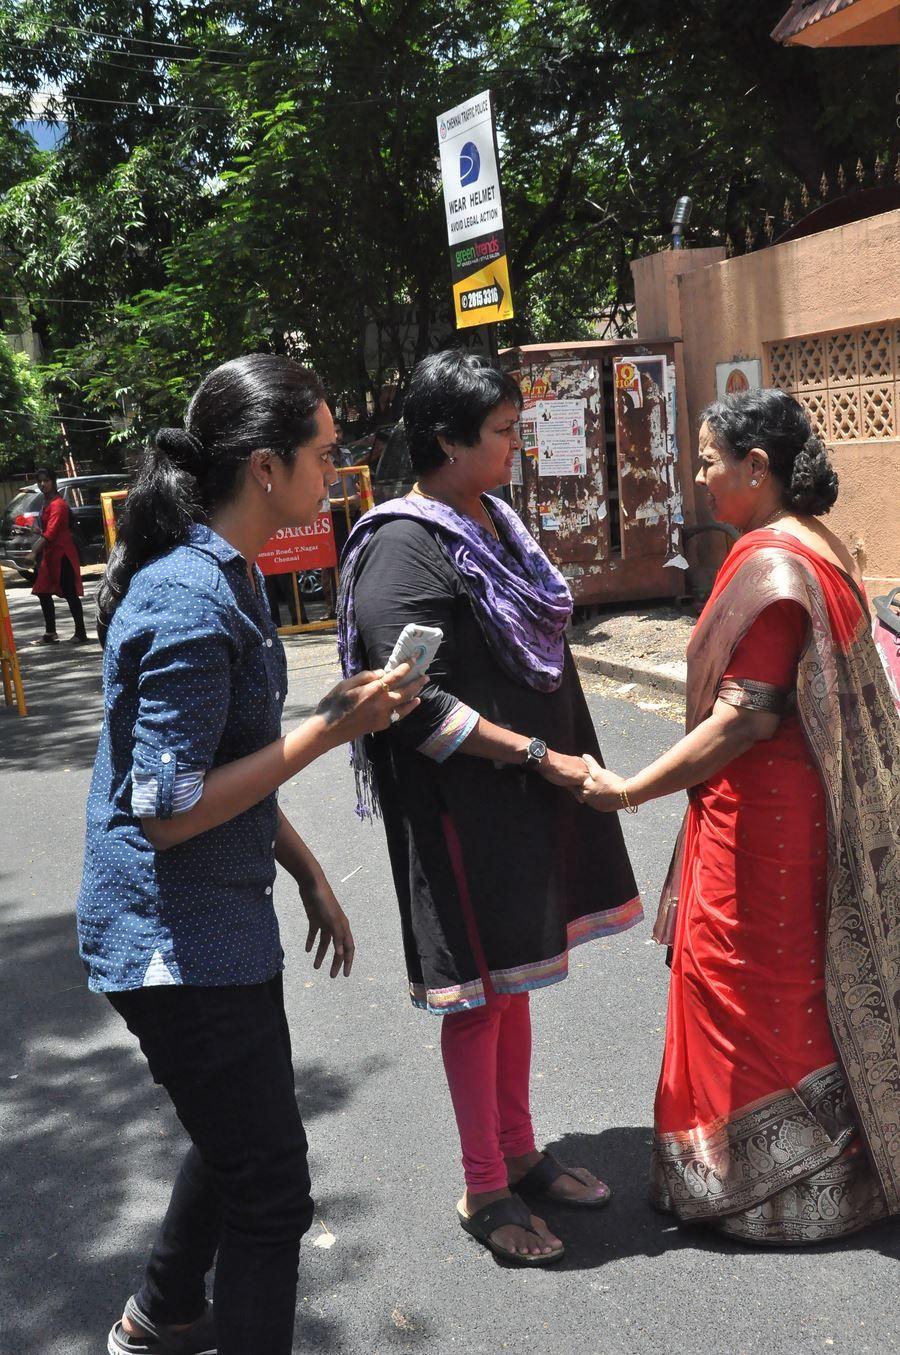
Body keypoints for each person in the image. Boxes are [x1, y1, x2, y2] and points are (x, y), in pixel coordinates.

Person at [77, 354, 423, 1355]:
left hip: (215, 924)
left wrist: (308, 868)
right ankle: (165, 1313)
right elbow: (168, 809)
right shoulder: (191, 598)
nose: (337, 464)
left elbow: (227, 765)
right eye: (324, 450)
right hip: (171, 942)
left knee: (240, 1143)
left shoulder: (222, 574)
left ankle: (161, 1310)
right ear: (266, 467)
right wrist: (327, 729)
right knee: (272, 1190)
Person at [337, 351, 641, 1266]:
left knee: (513, 982)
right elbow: (410, 700)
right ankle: (483, 1186)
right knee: (478, 997)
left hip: (516, 803)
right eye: (502, 431)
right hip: (462, 809)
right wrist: (536, 753)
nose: (517, 445)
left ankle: (519, 1150)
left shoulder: (492, 520)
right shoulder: (401, 543)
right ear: (446, 440)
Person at [580, 389, 900, 1245]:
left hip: (766, 818)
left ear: (756, 470)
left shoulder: (771, 565)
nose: (698, 475)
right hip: (802, 806)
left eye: (709, 458)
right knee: (792, 983)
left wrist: (631, 786)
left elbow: (746, 716)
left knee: (747, 983)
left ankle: (757, 1189)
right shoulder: (817, 545)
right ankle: (828, 1169)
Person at [30, 466, 89, 644]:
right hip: (49, 555)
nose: (42, 484)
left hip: (62, 554)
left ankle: (81, 632)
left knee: (70, 592)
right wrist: (36, 528)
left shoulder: (58, 504)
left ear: (53, 482)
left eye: (46, 480)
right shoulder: (46, 502)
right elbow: (47, 531)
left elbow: (52, 533)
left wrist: (33, 552)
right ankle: (50, 633)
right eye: (40, 481)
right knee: (42, 590)